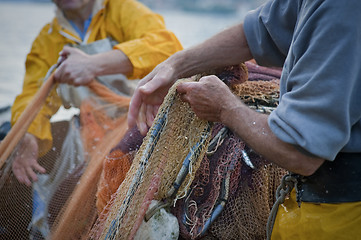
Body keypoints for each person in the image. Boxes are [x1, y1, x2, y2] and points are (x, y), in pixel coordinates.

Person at [128, 0, 361, 239]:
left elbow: (301, 153)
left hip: (341, 214)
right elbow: (259, 30)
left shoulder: (343, 9)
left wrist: (225, 108)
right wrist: (175, 66)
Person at [10, 0, 182, 186]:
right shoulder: (47, 40)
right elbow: (31, 94)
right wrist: (28, 133)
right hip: (89, 131)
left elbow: (169, 49)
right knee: (62, 196)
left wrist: (94, 64)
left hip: (142, 121)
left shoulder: (122, 10)